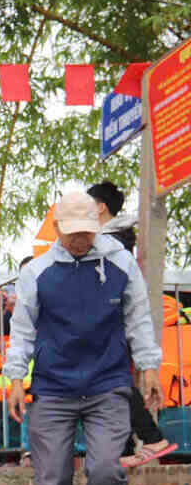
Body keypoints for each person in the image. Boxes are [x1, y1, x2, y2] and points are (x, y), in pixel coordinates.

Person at [4, 190, 162, 485]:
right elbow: (22, 331)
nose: (80, 240)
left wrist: (149, 368)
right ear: (57, 229)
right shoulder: (37, 272)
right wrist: (15, 379)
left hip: (107, 385)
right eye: (73, 233)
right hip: (53, 389)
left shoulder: (121, 264)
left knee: (107, 470)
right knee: (52, 477)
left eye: (87, 232)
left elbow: (139, 319)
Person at [86, 181, 175, 467]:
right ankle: (125, 449)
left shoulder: (115, 242)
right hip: (106, 323)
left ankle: (151, 437)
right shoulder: (110, 238)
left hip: (113, 321)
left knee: (115, 382)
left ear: (100, 207)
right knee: (106, 385)